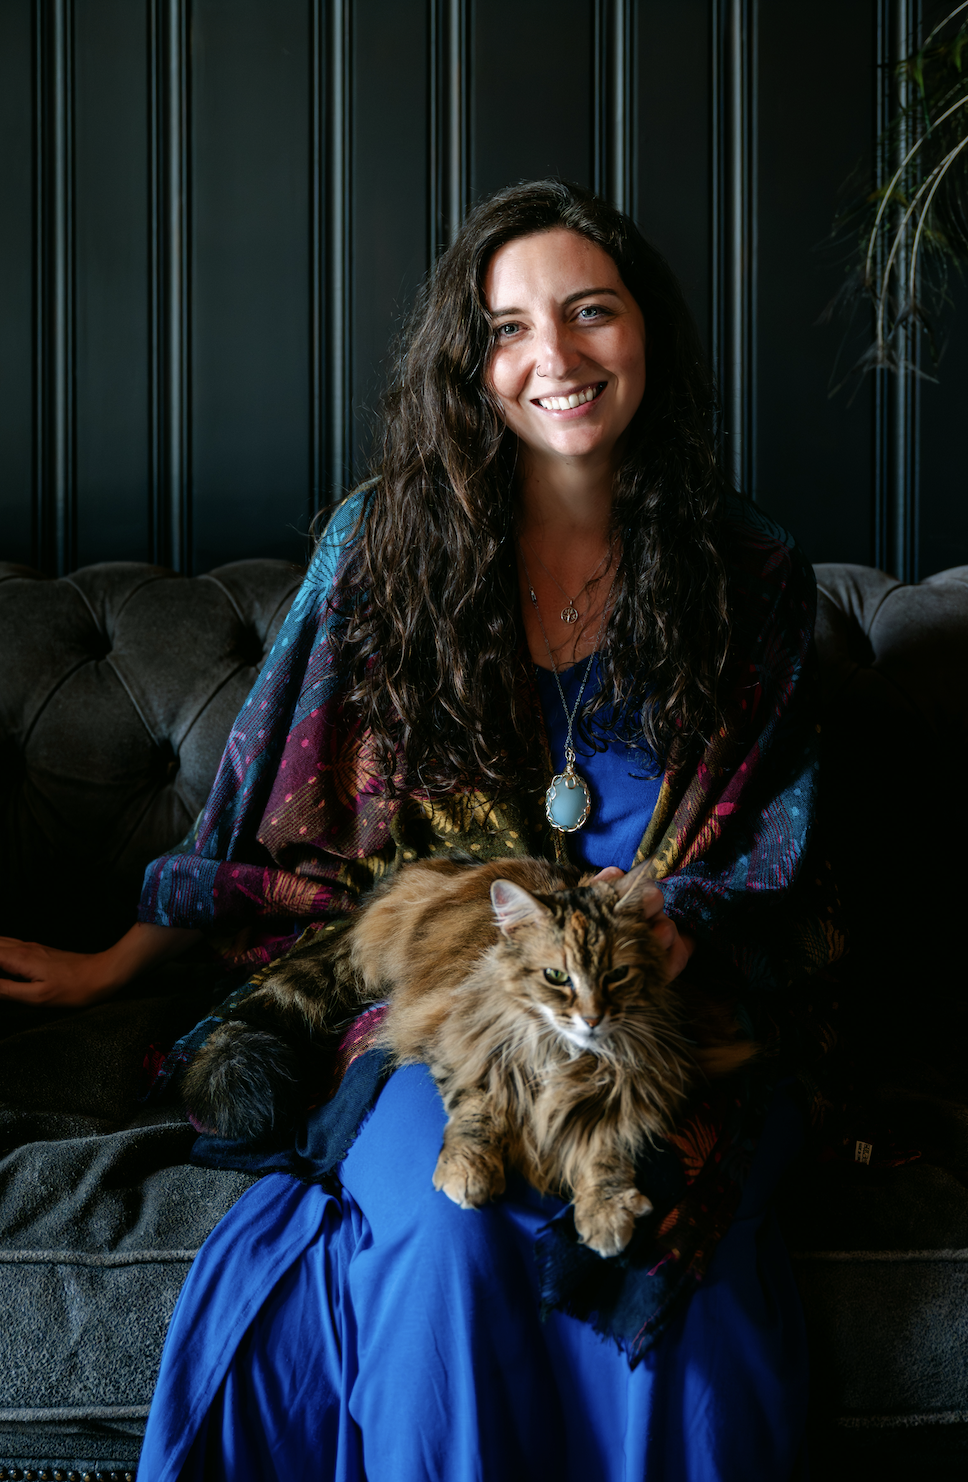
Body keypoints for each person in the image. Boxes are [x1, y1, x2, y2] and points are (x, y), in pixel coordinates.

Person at [0, 181, 839, 1480]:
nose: (553, 355)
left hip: (673, 1023)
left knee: (655, 1248)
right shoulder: (385, 552)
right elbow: (262, 813)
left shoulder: (758, 586)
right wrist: (118, 961)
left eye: (590, 312)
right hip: (445, 1014)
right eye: (508, 328)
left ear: (646, 336)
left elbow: (794, 862)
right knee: (446, 1222)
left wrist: (695, 917)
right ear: (472, 363)